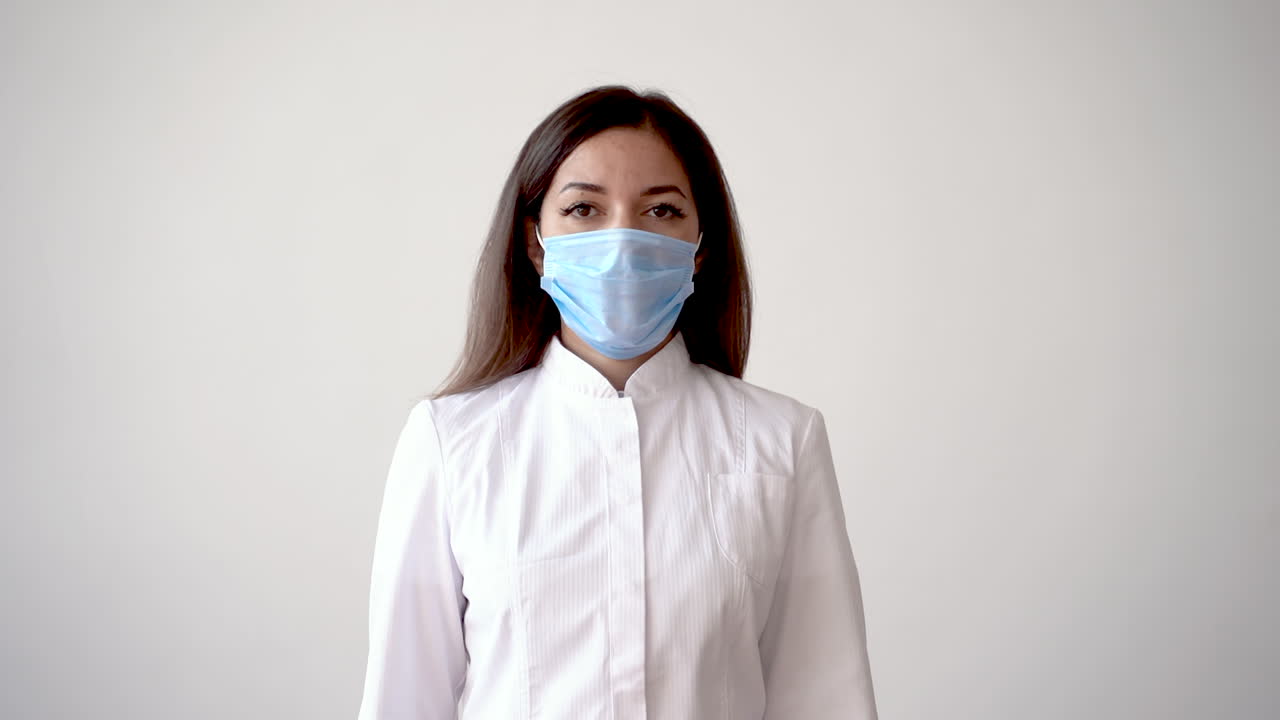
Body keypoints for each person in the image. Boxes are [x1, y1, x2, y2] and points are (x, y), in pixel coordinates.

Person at [357, 85, 878, 720]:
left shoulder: (781, 441)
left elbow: (823, 699)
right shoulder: (451, 442)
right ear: (534, 240)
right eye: (583, 209)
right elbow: (403, 703)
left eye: (661, 212)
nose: (624, 241)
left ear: (702, 243)